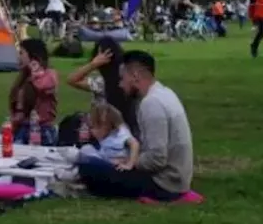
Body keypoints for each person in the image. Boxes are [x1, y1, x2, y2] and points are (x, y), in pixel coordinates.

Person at [77, 50, 195, 202]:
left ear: (135, 76)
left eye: (122, 78)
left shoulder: (151, 104)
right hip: (176, 179)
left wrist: (128, 162)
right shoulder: (165, 93)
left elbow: (157, 159)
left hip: (165, 184)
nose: (120, 84)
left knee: (88, 167)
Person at [65, 38, 138, 134]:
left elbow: (71, 80)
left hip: (104, 132)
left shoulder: (102, 83)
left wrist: (93, 64)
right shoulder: (128, 79)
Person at [9, 39, 59, 145]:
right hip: (22, 129)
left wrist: (35, 71)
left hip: (43, 131)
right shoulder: (24, 78)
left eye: (21, 53)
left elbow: (43, 86)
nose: (19, 57)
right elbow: (19, 112)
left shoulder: (49, 75)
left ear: (33, 56)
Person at [69, 102, 139, 169]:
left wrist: (130, 163)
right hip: (106, 157)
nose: (91, 131)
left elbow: (134, 144)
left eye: (93, 127)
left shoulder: (120, 134)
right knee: (86, 149)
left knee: (85, 153)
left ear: (104, 126)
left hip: (116, 163)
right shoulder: (106, 136)